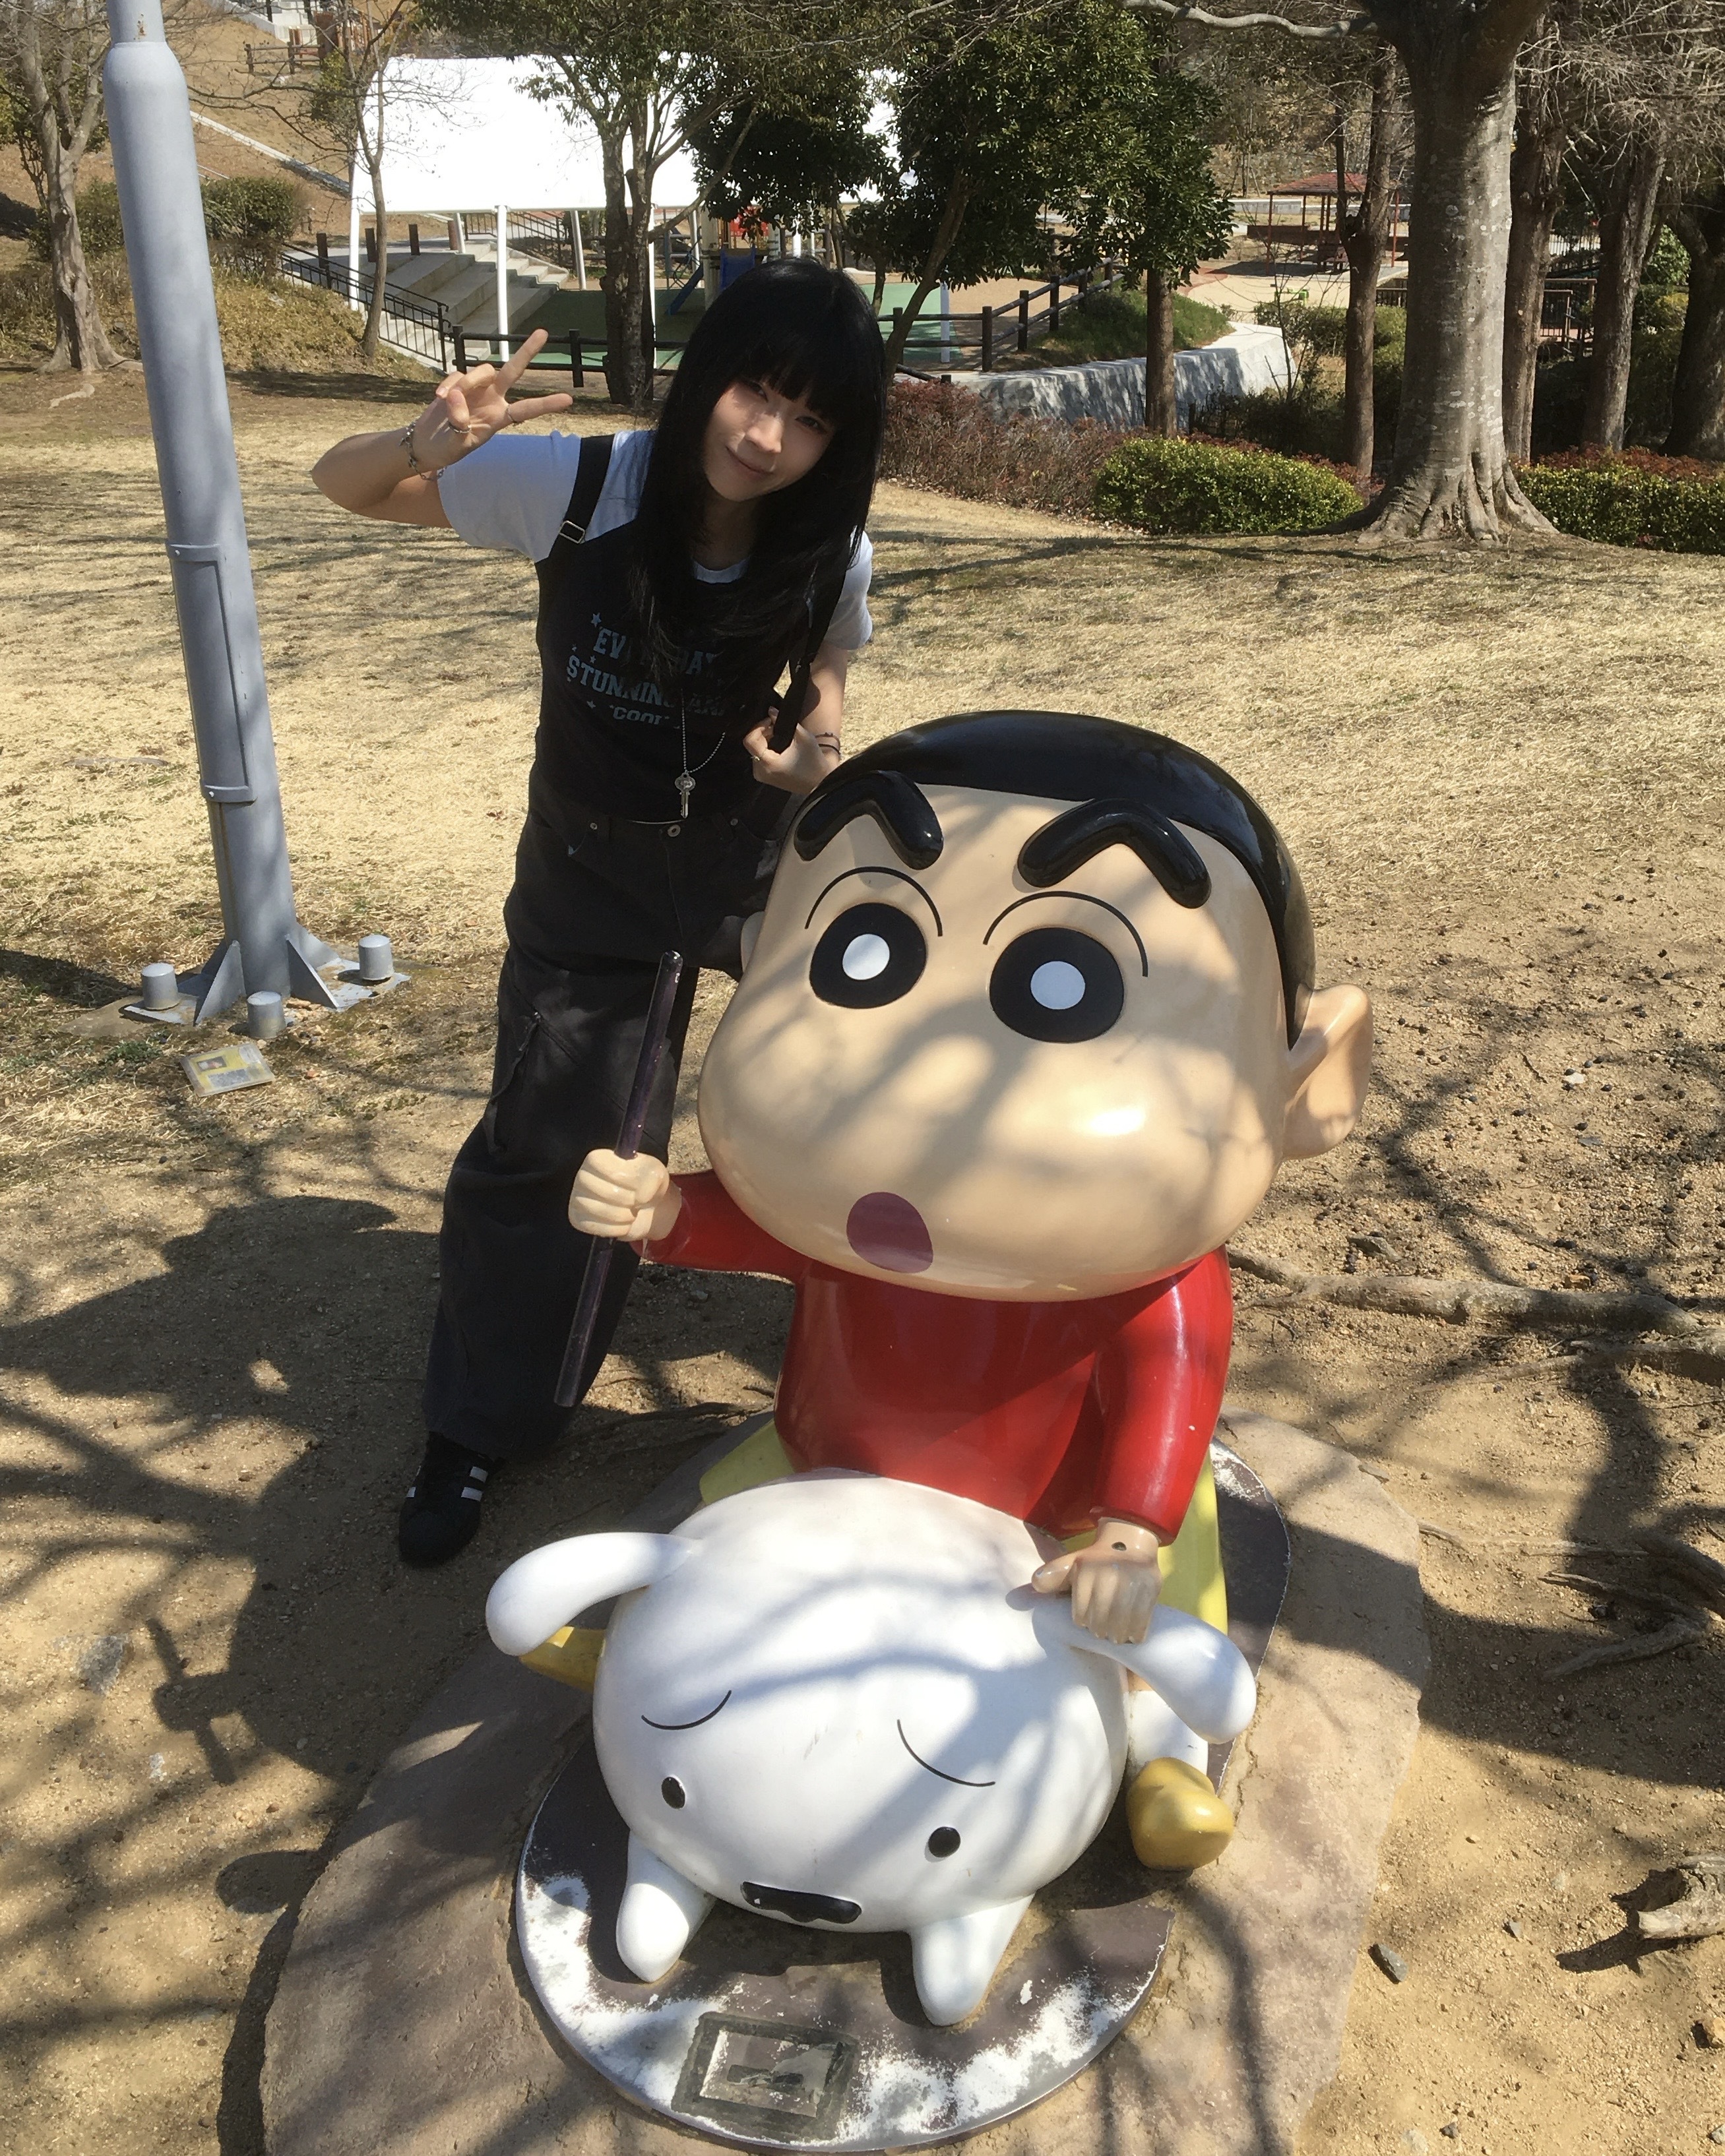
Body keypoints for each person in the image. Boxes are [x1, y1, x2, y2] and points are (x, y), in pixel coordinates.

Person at [567, 708, 1374, 1864]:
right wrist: (663, 1213)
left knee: (1152, 1613)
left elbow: (1171, 1381)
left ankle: (1162, 1760)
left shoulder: (1149, 1279)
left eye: (1067, 984)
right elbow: (759, 1226)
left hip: (1068, 1506)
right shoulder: (833, 1204)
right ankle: (648, 1655)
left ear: (1310, 1083)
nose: (930, 1082)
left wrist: (1134, 1524)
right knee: (708, 1537)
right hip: (836, 1456)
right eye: (862, 951)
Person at [310, 258, 887, 1566]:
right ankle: (480, 1422)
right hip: (589, 869)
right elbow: (344, 487)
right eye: (754, 392)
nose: (766, 438)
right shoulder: (578, 488)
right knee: (553, 1141)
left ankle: (915, 1341)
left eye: (808, 420)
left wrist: (820, 738)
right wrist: (425, 442)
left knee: (864, 1073)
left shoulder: (828, 545)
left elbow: (834, 658)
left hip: (754, 862)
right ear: (708, 373)